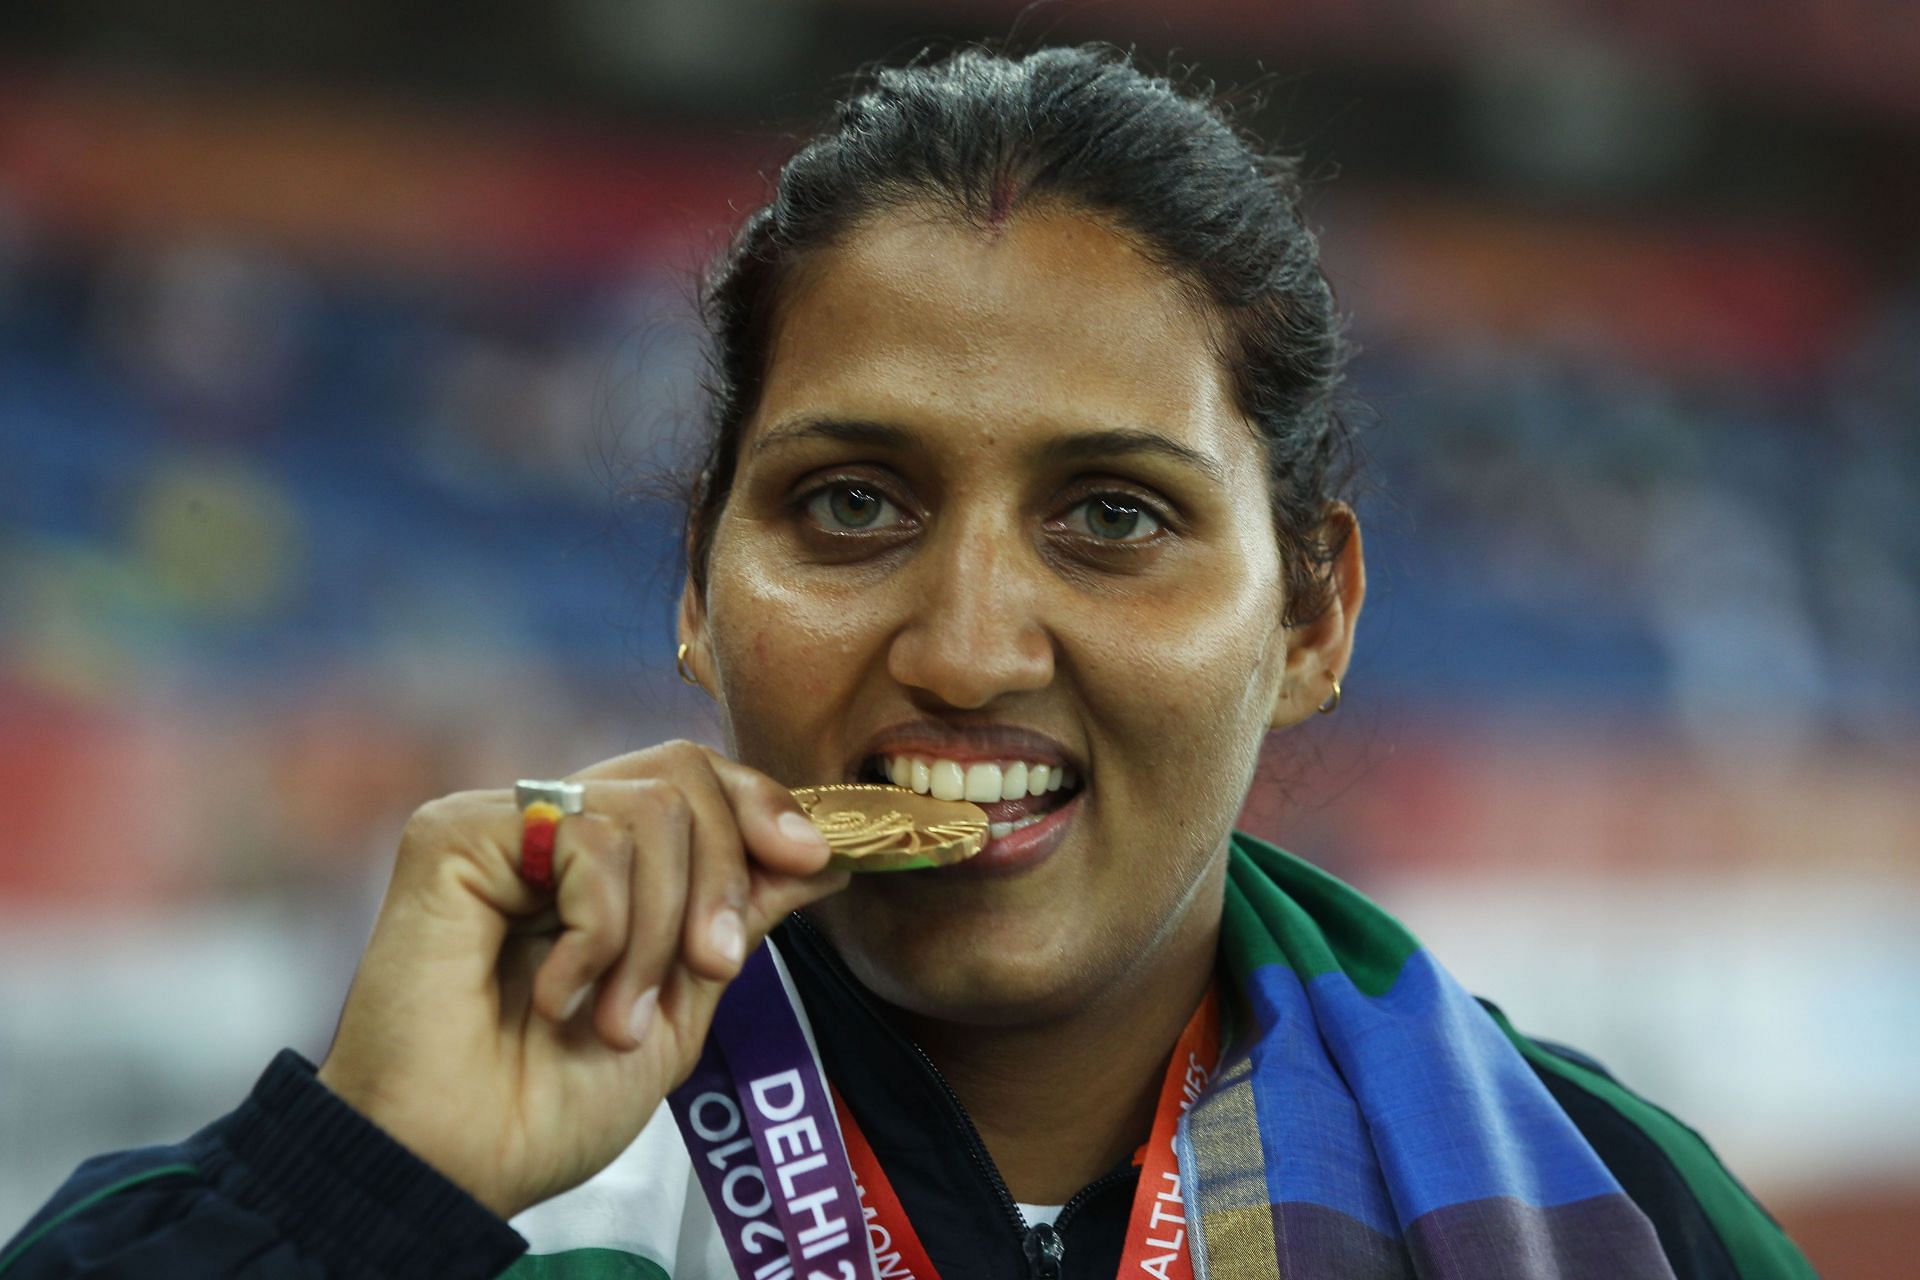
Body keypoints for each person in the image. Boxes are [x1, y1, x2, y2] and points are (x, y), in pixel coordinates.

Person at [0, 44, 1816, 1280]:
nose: (965, 647)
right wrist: (363, 1194)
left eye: (1113, 517)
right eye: (851, 504)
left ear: (1314, 616)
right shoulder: (451, 1202)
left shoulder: (1629, 1211)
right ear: (697, 587)